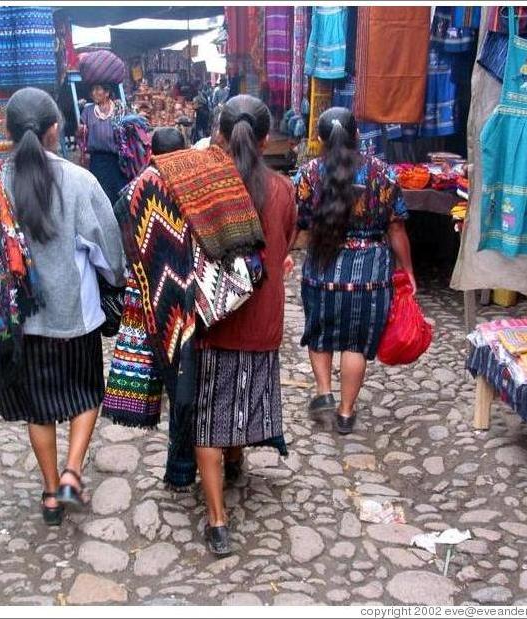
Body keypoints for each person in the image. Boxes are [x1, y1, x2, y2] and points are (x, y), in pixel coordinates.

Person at [0, 88, 126, 526]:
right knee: (86, 394)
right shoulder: (80, 182)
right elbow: (109, 254)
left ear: (7, 130)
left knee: (38, 408)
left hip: (19, 320)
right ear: (55, 129)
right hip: (75, 318)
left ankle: (50, 493)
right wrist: (117, 280)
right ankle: (73, 472)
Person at [194, 95, 297, 556]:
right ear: (265, 138)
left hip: (213, 320)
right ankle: (236, 457)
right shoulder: (282, 191)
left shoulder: (203, 187)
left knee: (210, 418)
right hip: (261, 320)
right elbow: (286, 240)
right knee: (247, 395)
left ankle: (217, 520)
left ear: (220, 134)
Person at [294, 107, 415, 435]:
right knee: (356, 345)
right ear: (358, 136)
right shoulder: (383, 174)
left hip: (321, 271)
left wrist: (281, 257)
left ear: (319, 139)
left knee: (319, 332)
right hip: (370, 275)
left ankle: (324, 392)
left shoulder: (308, 175)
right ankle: (346, 414)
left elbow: (297, 221)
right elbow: (397, 228)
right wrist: (408, 270)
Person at [78, 82, 128, 206]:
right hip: (98, 161)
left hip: (117, 161)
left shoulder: (119, 108)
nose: (93, 93)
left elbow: (128, 129)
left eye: (97, 89)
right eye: (92, 90)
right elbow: (80, 134)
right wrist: (80, 131)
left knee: (120, 195)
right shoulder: (88, 111)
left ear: (107, 93)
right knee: (102, 196)